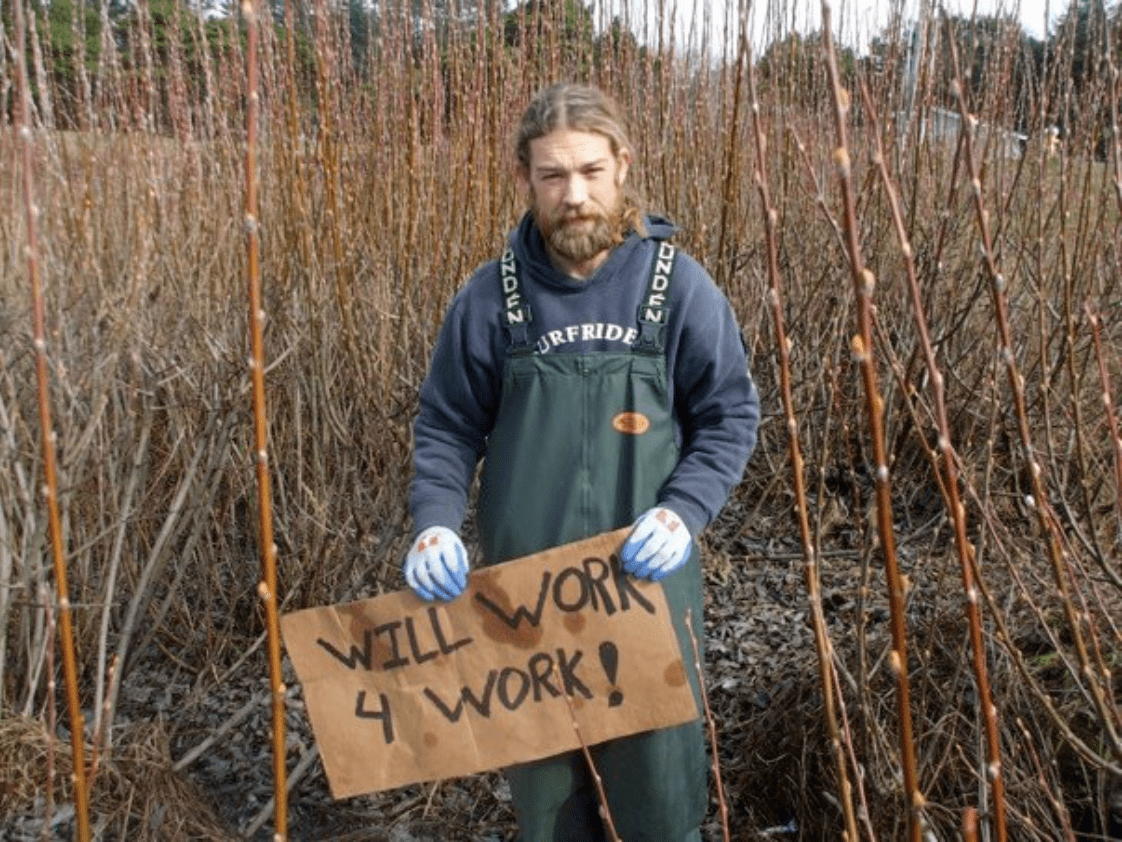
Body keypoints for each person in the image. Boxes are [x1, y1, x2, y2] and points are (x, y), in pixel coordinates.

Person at [403, 82, 760, 842]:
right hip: (529, 610)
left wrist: (684, 510)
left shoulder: (677, 288)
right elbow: (445, 426)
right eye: (553, 176)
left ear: (622, 166)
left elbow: (730, 415)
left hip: (649, 604)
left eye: (591, 172)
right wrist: (435, 524)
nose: (574, 195)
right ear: (524, 177)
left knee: (660, 807)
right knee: (550, 813)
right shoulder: (489, 301)